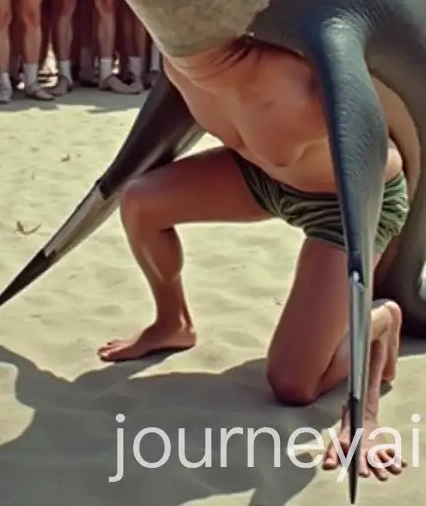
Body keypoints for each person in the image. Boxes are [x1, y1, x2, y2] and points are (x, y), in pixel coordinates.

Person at [97, 35, 408, 480]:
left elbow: (377, 150)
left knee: (294, 384)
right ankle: (172, 323)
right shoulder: (177, 58)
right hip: (261, 176)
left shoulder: (302, 84)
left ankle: (382, 322)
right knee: (141, 202)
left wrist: (364, 418)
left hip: (348, 205)